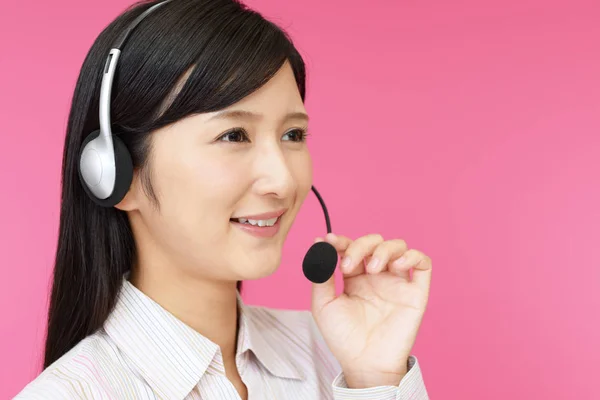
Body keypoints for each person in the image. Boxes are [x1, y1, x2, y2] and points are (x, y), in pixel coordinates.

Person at [15, 0, 432, 398]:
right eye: (233, 136)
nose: (282, 181)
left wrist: (374, 379)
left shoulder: (334, 353)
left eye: (293, 135)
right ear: (117, 175)